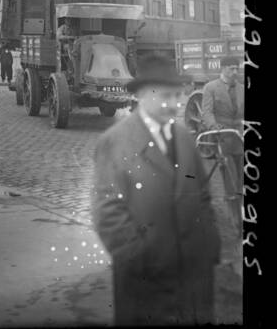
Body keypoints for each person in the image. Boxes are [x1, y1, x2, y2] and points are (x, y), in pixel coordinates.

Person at [92, 53, 220, 326]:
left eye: (178, 95)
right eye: (166, 95)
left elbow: (202, 193)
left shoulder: (184, 136)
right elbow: (108, 213)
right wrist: (142, 258)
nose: (174, 104)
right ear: (140, 95)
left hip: (194, 274)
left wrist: (207, 245)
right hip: (145, 280)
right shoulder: (115, 142)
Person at [201, 55, 244, 200]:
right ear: (223, 68)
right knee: (229, 174)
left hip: (240, 136)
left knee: (242, 174)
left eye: (237, 69)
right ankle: (234, 212)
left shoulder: (241, 88)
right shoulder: (211, 88)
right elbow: (207, 112)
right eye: (232, 69)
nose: (235, 72)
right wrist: (214, 126)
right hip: (223, 136)